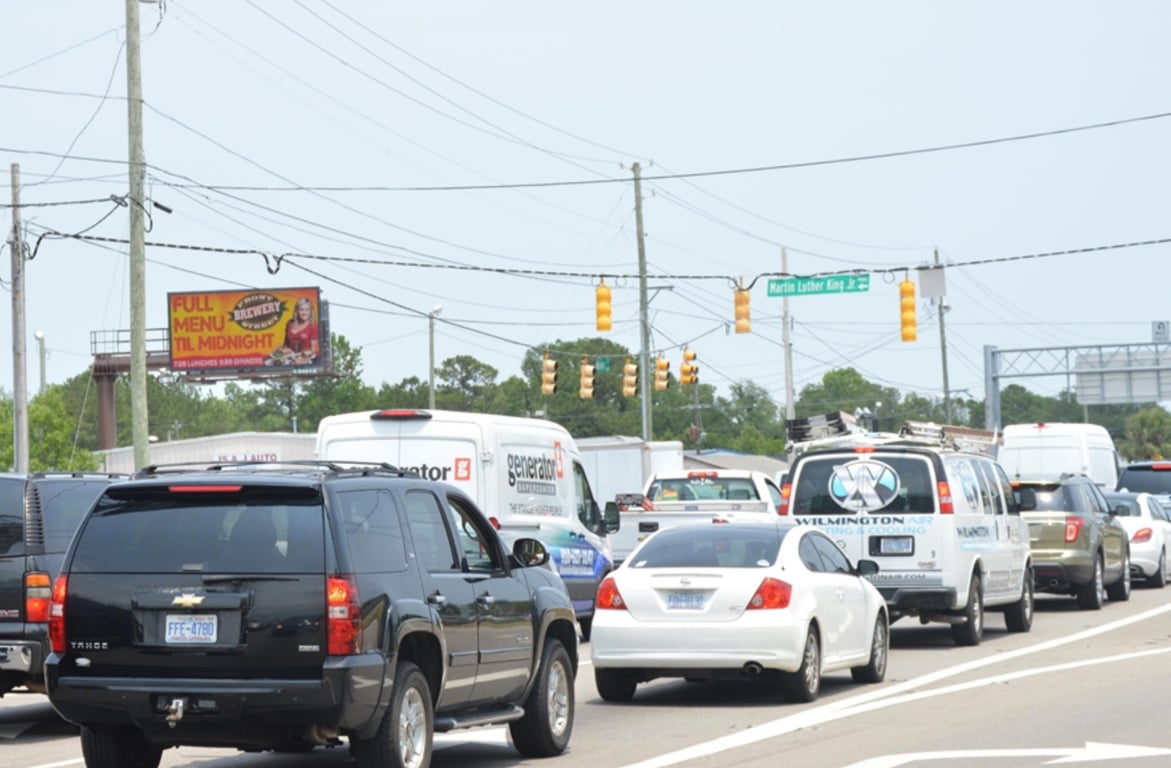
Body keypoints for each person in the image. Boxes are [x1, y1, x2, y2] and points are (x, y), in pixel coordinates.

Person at [282, 297, 319, 362]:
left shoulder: (313, 326)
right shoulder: (290, 323)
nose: (304, 313)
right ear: (297, 311)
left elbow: (314, 351)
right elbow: (286, 345)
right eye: (301, 310)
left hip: (307, 361)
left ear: (311, 311)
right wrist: (283, 352)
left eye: (307, 310)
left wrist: (302, 359)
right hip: (289, 360)